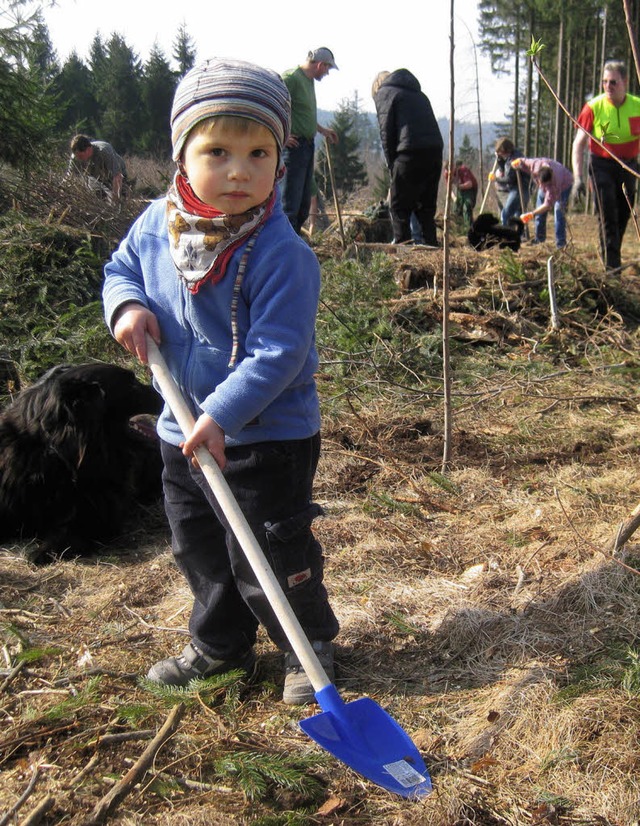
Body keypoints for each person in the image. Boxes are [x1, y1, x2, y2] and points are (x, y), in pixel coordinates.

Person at [102, 58, 339, 705]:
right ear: (182, 155)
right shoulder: (158, 225)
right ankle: (219, 643)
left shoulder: (281, 253)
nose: (239, 171)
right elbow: (120, 267)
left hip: (268, 436)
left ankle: (306, 644)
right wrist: (127, 307)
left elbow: (279, 353)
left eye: (258, 152)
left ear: (280, 158)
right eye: (218, 151)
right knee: (201, 548)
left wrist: (224, 417)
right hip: (183, 430)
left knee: (269, 548)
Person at [572, 60, 640, 271]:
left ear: (624, 82)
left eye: (613, 82)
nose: (608, 87)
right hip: (601, 164)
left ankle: (612, 257)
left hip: (629, 165)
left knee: (623, 214)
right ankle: (612, 270)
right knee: (608, 213)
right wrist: (578, 178)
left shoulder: (637, 105)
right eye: (604, 82)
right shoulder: (593, 107)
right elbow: (578, 143)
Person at [372, 69, 444, 246]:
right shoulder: (419, 94)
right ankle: (432, 248)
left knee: (398, 206)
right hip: (434, 150)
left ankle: (403, 250)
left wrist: (392, 168)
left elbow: (386, 132)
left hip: (409, 152)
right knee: (425, 207)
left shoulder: (384, 93)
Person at [281, 48, 339, 234]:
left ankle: (295, 241)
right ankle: (285, 246)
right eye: (327, 69)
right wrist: (282, 135)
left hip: (307, 146)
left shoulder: (309, 82)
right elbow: (274, 106)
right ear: (320, 64)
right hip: (293, 148)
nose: (327, 73)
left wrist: (322, 130)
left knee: (304, 204)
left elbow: (304, 114)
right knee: (290, 203)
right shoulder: (291, 79)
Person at [511, 157, 573, 248]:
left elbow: (547, 205)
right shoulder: (536, 165)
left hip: (565, 185)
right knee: (539, 213)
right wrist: (516, 163)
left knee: (558, 213)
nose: (541, 186)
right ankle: (539, 240)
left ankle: (560, 244)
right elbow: (522, 161)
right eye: (540, 183)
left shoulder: (554, 184)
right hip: (547, 182)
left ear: (549, 181)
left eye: (544, 184)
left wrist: (532, 214)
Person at [68, 134, 127, 201]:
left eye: (80, 156)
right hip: (98, 179)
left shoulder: (104, 151)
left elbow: (117, 176)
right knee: (99, 200)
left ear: (88, 149)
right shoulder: (75, 157)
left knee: (120, 199)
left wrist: (114, 200)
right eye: (77, 156)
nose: (79, 159)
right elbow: (69, 178)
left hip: (117, 175)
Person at [491, 137, 530, 229]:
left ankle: (507, 235)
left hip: (518, 188)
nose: (499, 153)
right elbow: (503, 169)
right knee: (518, 213)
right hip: (521, 188)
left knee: (506, 214)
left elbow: (509, 179)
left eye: (500, 151)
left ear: (504, 150)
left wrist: (496, 179)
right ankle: (519, 235)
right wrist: (499, 160)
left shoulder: (513, 160)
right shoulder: (512, 155)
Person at [445, 160, 479, 228]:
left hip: (470, 190)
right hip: (459, 191)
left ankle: (469, 228)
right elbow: (449, 189)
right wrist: (454, 198)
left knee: (466, 206)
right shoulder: (447, 174)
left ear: (454, 167)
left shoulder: (463, 170)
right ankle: (459, 228)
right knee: (456, 209)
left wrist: (459, 186)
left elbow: (470, 184)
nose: (450, 173)